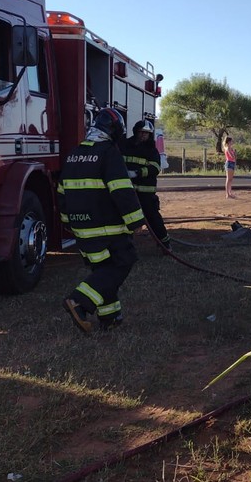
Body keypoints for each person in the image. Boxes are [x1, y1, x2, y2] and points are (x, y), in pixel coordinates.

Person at [59, 108, 145, 334]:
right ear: (114, 131)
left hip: (82, 229)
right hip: (108, 228)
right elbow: (122, 191)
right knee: (122, 263)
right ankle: (80, 302)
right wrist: (136, 221)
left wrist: (68, 222)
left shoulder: (73, 154)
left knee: (103, 271)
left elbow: (61, 192)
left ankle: (110, 317)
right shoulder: (108, 153)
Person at [120, 119, 171, 251]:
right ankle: (124, 247)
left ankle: (165, 244)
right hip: (128, 191)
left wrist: (137, 173)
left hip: (146, 193)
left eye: (147, 133)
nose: (144, 135)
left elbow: (155, 168)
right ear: (136, 132)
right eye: (142, 132)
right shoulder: (125, 145)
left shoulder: (151, 149)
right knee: (124, 219)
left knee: (153, 218)